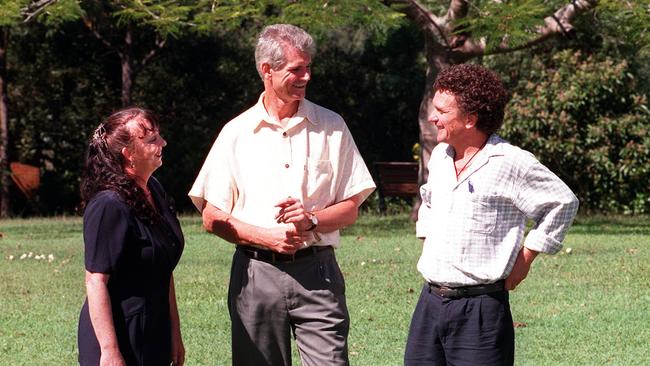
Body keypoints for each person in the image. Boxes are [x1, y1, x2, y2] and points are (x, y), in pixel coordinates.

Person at [189, 24, 375, 366]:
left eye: (308, 68)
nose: (306, 76)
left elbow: (351, 208)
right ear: (267, 70)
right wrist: (266, 237)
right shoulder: (236, 133)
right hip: (256, 274)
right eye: (296, 69)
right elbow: (212, 217)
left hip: (319, 272)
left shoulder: (332, 126)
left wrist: (312, 220)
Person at [405, 64, 579, 366]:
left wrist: (526, 259)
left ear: (470, 119)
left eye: (442, 112)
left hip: (482, 312)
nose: (433, 117)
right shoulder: (441, 159)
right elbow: (429, 202)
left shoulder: (511, 162)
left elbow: (563, 202)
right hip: (429, 305)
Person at [77, 107, 185, 366]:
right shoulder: (109, 204)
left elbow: (163, 267)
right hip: (119, 333)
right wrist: (110, 351)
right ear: (129, 154)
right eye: (151, 140)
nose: (163, 142)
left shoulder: (154, 190)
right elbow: (95, 281)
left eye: (159, 136)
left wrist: (174, 332)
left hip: (154, 329)